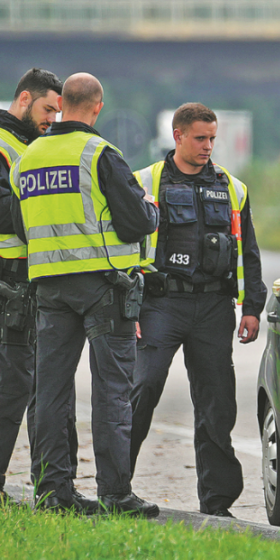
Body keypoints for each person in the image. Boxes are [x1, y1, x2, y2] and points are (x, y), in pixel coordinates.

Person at [9, 72, 160, 516]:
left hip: (48, 288)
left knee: (51, 394)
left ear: (61, 105)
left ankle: (53, 495)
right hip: (102, 286)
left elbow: (22, 228)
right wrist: (150, 207)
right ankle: (115, 494)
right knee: (112, 390)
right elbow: (136, 222)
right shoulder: (100, 154)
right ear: (96, 106)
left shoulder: (28, 157)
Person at [129, 103, 266, 518]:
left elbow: (249, 253)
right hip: (160, 303)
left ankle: (217, 504)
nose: (208, 146)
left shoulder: (232, 187)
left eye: (212, 138)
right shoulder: (144, 182)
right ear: (178, 136)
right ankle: (115, 488)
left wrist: (252, 307)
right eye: (200, 138)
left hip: (213, 305)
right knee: (143, 388)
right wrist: (129, 308)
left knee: (216, 402)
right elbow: (126, 249)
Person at [0, 68, 94, 509]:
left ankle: (55, 490)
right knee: (17, 388)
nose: (54, 118)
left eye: (58, 110)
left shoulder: (33, 147)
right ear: (23, 99)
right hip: (8, 280)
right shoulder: (5, 145)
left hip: (35, 280)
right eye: (47, 109)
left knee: (46, 388)